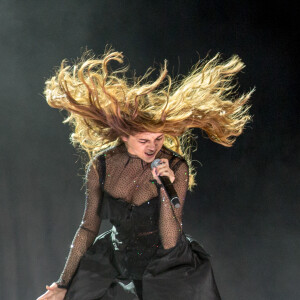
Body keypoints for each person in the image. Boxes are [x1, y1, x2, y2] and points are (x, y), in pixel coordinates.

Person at [37, 49, 253, 300]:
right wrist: (64, 283)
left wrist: (164, 188)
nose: (153, 146)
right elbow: (88, 228)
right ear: (124, 135)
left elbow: (171, 240)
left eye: (159, 138)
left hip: (167, 266)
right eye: (144, 140)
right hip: (116, 262)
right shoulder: (101, 166)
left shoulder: (175, 166)